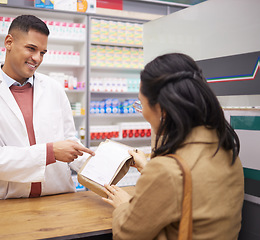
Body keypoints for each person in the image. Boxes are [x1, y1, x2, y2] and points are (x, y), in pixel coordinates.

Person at [102, 53, 244, 239]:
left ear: (162, 110)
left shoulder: (167, 170)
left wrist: (124, 205)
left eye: (141, 104)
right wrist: (148, 168)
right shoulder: (226, 150)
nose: (142, 112)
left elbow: (125, 235)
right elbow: (190, 189)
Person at [0, 15, 94, 201]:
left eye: (43, 52)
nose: (37, 58)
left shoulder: (54, 88)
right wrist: (50, 152)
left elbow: (69, 141)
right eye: (31, 49)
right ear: (9, 42)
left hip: (57, 198)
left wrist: (105, 164)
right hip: (4, 203)